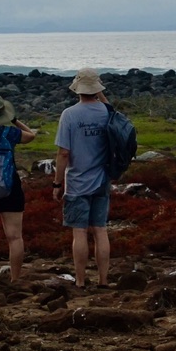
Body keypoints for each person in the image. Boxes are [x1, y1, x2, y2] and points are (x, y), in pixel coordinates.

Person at [53, 67, 114, 290]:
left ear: (77, 88)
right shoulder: (108, 112)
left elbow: (63, 153)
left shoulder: (69, 115)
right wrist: (101, 95)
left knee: (79, 231)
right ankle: (104, 280)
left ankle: (80, 280)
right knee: (100, 229)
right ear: (97, 88)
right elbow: (110, 110)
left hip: (78, 182)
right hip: (102, 179)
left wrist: (57, 183)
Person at [0, 92, 36, 286]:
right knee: (15, 237)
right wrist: (15, 121)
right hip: (10, 186)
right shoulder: (10, 133)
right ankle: (15, 279)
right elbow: (31, 135)